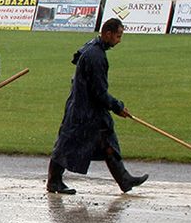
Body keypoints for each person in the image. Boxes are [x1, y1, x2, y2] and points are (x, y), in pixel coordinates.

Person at [47, 18, 148, 195]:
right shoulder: (97, 57)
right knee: (67, 143)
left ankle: (124, 179)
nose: (119, 40)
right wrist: (118, 107)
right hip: (84, 109)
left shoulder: (93, 46)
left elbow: (76, 57)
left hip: (84, 105)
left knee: (107, 140)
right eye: (118, 36)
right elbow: (99, 92)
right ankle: (54, 181)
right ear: (107, 34)